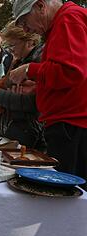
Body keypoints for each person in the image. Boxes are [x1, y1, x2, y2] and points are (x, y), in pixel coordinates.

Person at [10, 0, 87, 182]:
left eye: (24, 21)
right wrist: (39, 86)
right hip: (70, 125)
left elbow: (72, 71)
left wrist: (30, 70)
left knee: (68, 195)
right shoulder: (63, 22)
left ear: (40, 6)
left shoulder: (68, 19)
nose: (26, 29)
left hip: (71, 126)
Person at [0, 22, 45, 150]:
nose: (11, 49)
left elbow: (32, 103)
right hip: (15, 129)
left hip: (27, 136)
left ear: (29, 42)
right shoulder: (18, 62)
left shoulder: (37, 63)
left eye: (13, 45)